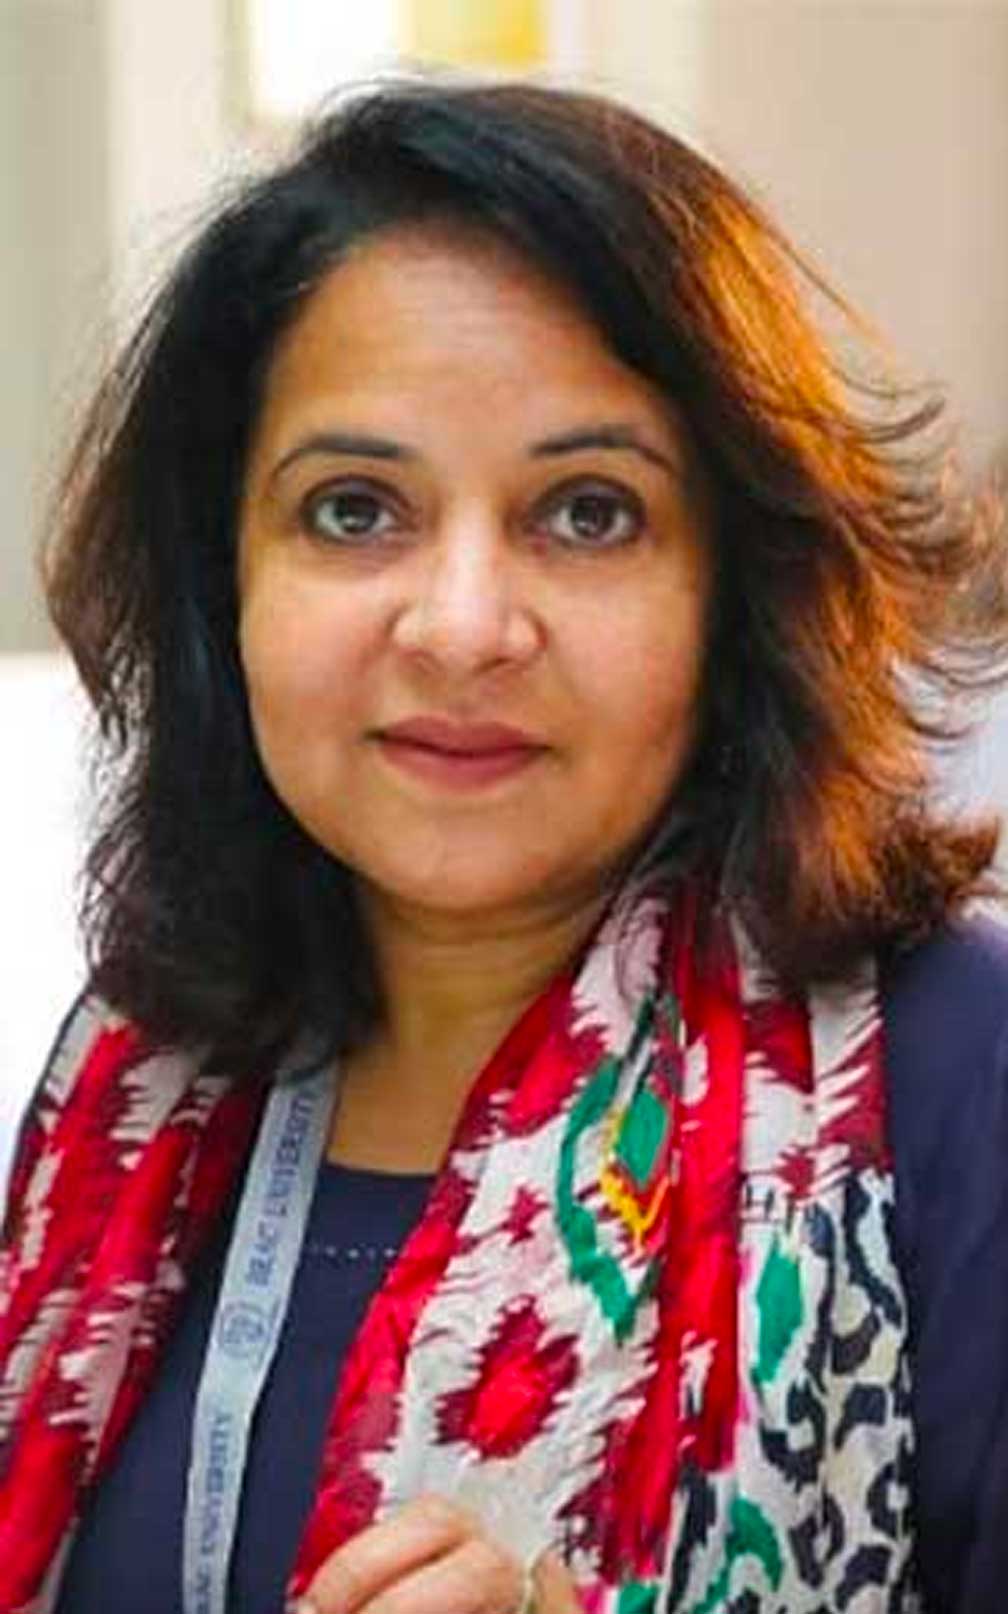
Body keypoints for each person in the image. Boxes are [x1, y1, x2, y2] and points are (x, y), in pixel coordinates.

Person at [1, 76, 1007, 1614]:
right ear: (225, 583)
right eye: (354, 510)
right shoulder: (132, 1085)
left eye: (588, 513)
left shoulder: (952, 1071)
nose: (464, 626)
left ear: (736, 589)